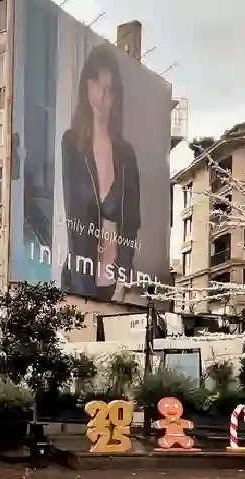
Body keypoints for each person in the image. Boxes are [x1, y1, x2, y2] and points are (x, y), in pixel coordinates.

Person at [60, 44, 141, 302]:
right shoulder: (71, 144)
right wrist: (80, 289)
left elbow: (131, 223)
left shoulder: (126, 153)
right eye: (96, 84)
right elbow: (73, 216)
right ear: (86, 86)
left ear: (116, 95)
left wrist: (122, 281)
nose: (102, 95)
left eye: (110, 89)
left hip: (115, 287)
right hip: (79, 282)